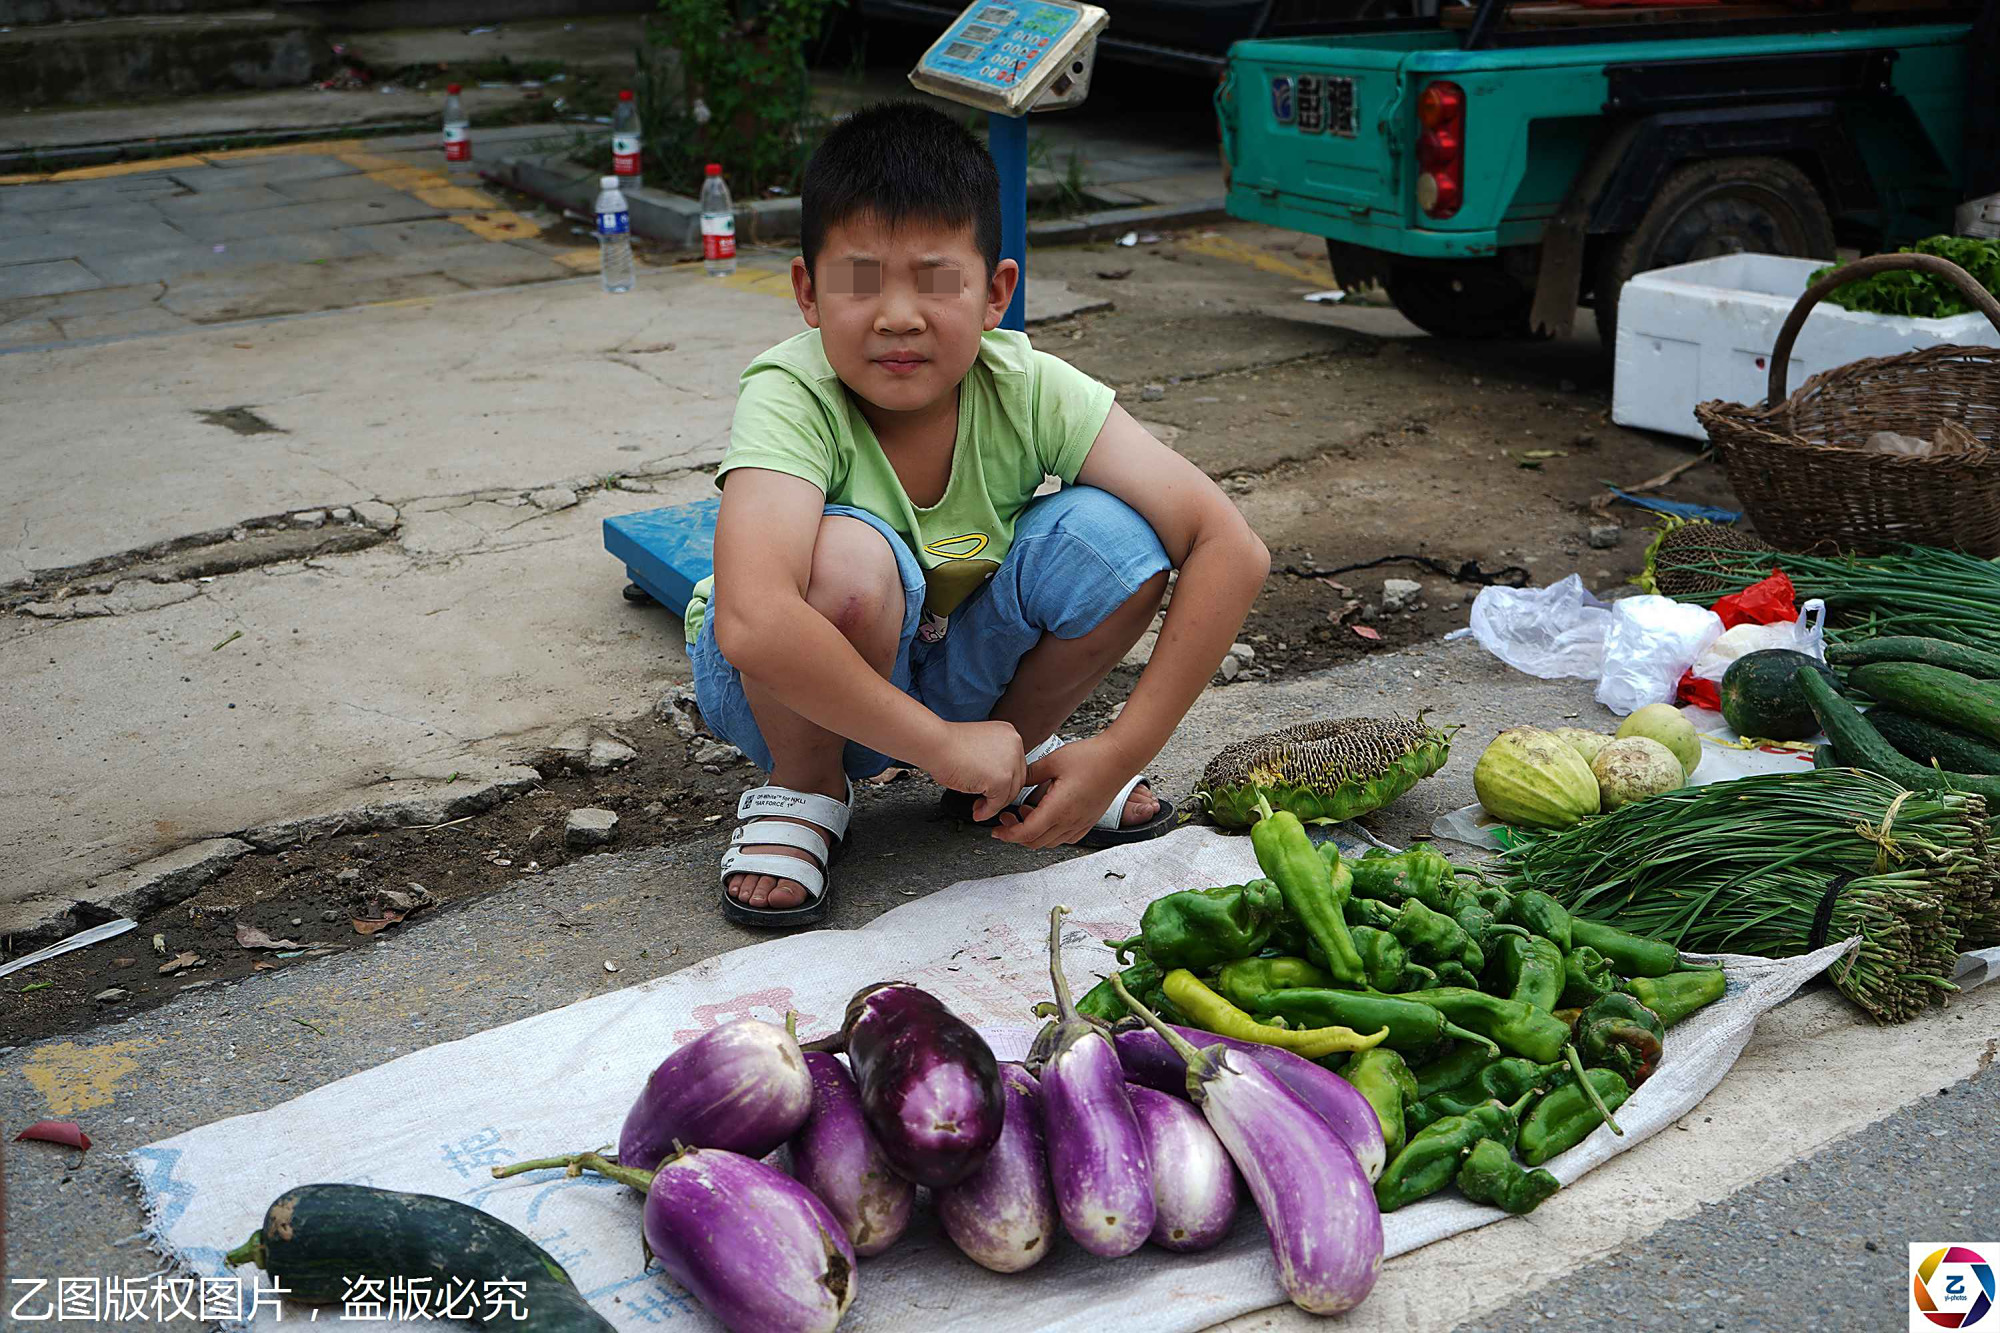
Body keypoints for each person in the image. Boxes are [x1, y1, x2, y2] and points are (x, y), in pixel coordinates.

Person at [688, 101, 1268, 927]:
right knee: (846, 562)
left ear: (996, 292)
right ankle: (807, 785)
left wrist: (1116, 753)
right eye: (860, 280)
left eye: (935, 280)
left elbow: (1229, 546)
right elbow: (751, 620)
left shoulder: (1028, 385)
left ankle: (1008, 762)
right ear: (807, 293)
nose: (898, 314)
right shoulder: (791, 391)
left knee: (1118, 539)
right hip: (784, 691)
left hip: (951, 673)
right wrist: (940, 745)